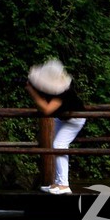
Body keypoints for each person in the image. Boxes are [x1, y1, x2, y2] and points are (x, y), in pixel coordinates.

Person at [25, 58, 85, 195]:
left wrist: (31, 91)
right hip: (61, 118)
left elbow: (46, 110)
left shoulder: (64, 92)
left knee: (59, 145)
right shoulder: (48, 89)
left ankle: (64, 185)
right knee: (54, 146)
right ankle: (57, 183)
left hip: (75, 119)